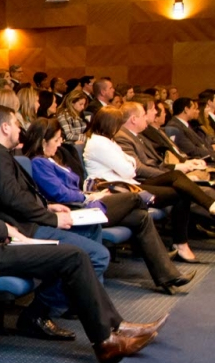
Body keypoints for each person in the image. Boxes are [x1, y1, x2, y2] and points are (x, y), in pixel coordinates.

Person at [0, 113, 166, 363]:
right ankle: (106, 340)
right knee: (75, 256)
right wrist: (3, 228)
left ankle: (114, 329)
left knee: (76, 255)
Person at [0, 105, 111, 325]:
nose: (20, 129)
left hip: (25, 222)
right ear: (5, 128)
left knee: (91, 230)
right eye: (16, 124)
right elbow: (12, 199)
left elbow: (15, 195)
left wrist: (48, 207)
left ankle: (85, 303)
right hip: (18, 229)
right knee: (98, 256)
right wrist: (51, 218)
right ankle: (40, 313)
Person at [23, 118, 194, 293]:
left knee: (140, 217)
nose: (60, 144)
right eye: (56, 140)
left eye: (61, 139)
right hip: (76, 209)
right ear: (43, 142)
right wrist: (88, 196)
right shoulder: (38, 163)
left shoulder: (51, 159)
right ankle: (149, 208)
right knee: (134, 198)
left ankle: (168, 276)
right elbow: (60, 193)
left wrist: (88, 195)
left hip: (86, 203)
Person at [84, 106, 215, 262]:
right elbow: (129, 170)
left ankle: (208, 207)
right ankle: (182, 244)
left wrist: (129, 163)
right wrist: (130, 163)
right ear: (110, 124)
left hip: (129, 183)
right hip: (120, 188)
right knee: (181, 193)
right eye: (118, 123)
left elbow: (129, 164)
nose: (120, 128)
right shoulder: (99, 143)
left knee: (176, 176)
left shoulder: (107, 141)